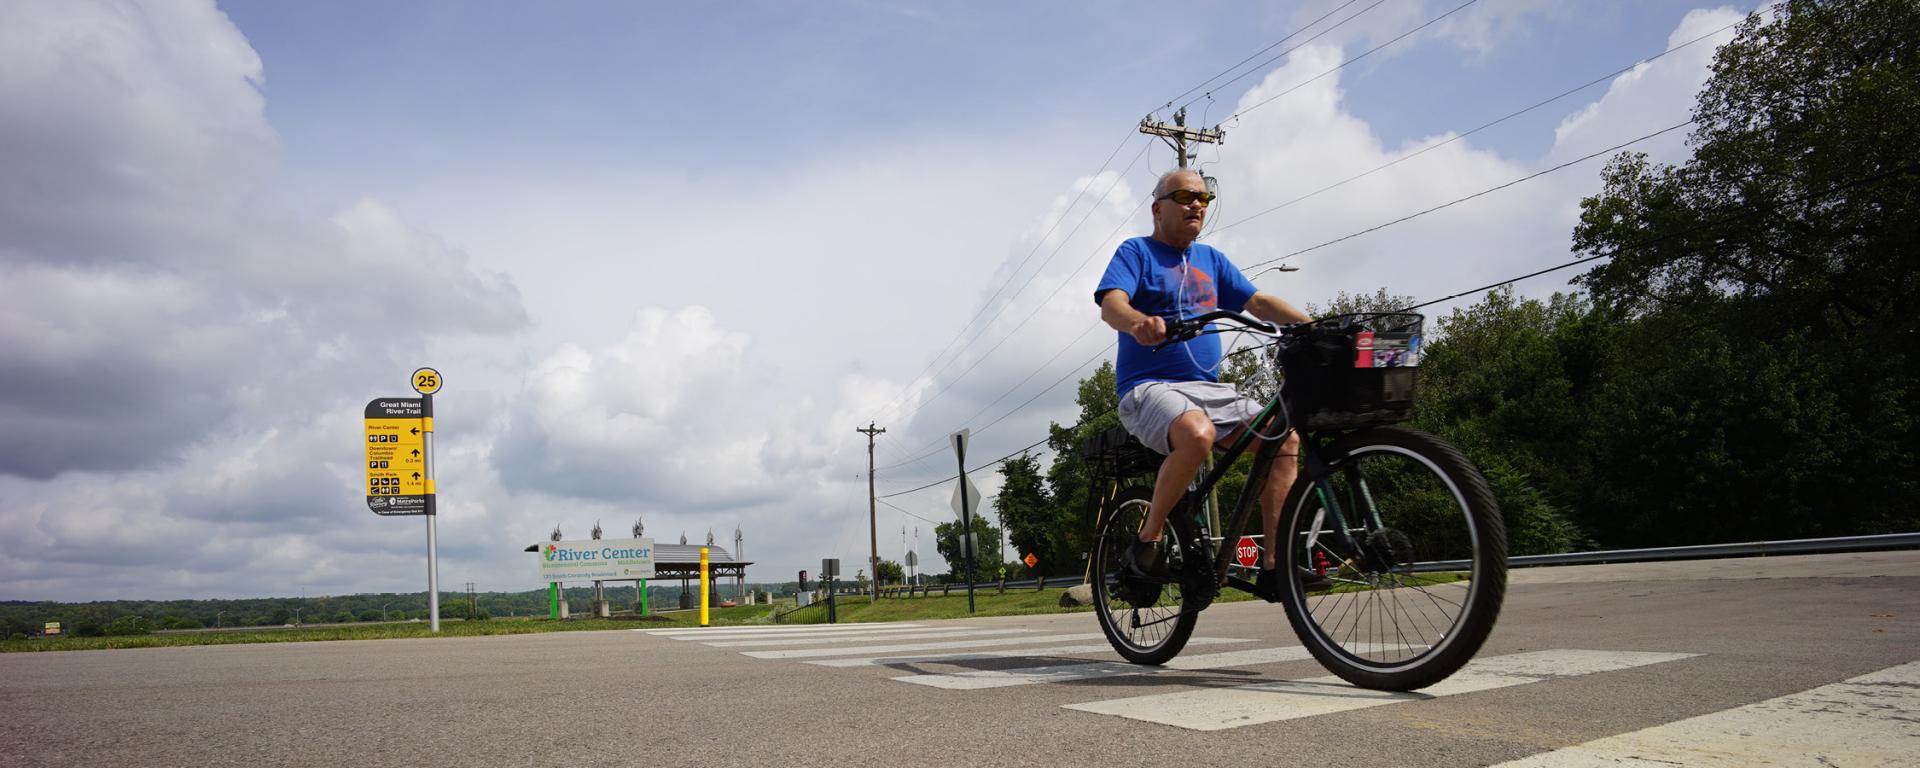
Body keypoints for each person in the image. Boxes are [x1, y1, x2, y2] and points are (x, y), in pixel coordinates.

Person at [1094, 168, 1321, 600]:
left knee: (1283, 440)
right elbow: (1112, 304)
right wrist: (1139, 322)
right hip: (1148, 387)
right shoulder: (1137, 252)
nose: (1196, 203)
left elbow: (1256, 301)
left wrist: (1315, 326)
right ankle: (1149, 539)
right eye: (1184, 196)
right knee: (1196, 434)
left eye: (1203, 197)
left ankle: (1275, 566)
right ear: (1158, 208)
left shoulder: (1211, 260)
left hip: (1209, 390)